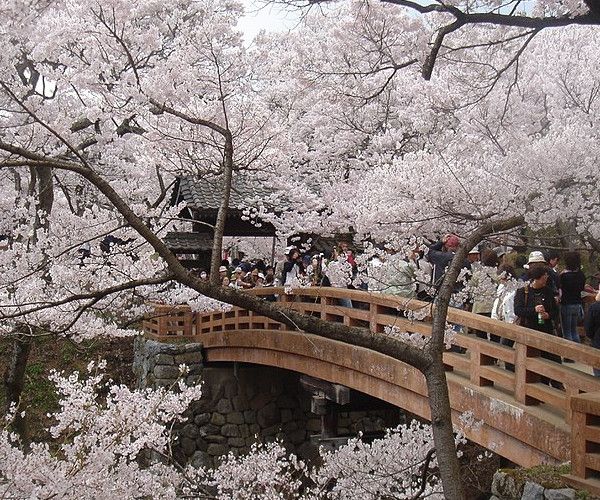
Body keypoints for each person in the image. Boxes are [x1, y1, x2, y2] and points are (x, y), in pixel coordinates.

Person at [514, 265, 563, 387]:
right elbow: (518, 310)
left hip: (546, 329)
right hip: (529, 330)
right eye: (544, 277)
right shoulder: (522, 292)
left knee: (551, 358)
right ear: (537, 279)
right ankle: (533, 386)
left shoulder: (547, 291)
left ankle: (552, 383)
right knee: (532, 360)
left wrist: (548, 315)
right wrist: (534, 310)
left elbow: (555, 311)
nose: (546, 279)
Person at [559, 251, 586, 346]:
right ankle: (577, 352)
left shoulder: (564, 276)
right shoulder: (581, 275)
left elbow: (560, 288)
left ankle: (569, 355)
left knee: (567, 331)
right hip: (577, 304)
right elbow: (582, 288)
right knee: (574, 330)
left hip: (567, 304)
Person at [584, 290, 600, 377]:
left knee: (598, 371)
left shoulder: (595, 307)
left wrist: (591, 337)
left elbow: (588, 326)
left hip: (598, 342)